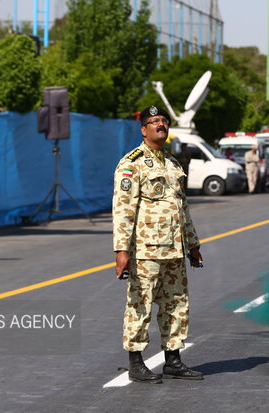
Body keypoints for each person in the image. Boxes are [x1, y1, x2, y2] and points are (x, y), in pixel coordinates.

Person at [113, 105, 204, 384]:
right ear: (143, 129)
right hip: (146, 251)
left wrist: (193, 245)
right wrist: (122, 251)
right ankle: (136, 363)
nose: (161, 125)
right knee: (140, 305)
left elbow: (182, 209)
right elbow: (123, 209)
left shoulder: (173, 163)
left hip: (174, 250)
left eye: (164, 121)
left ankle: (173, 360)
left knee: (176, 305)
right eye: (154, 122)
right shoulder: (132, 163)